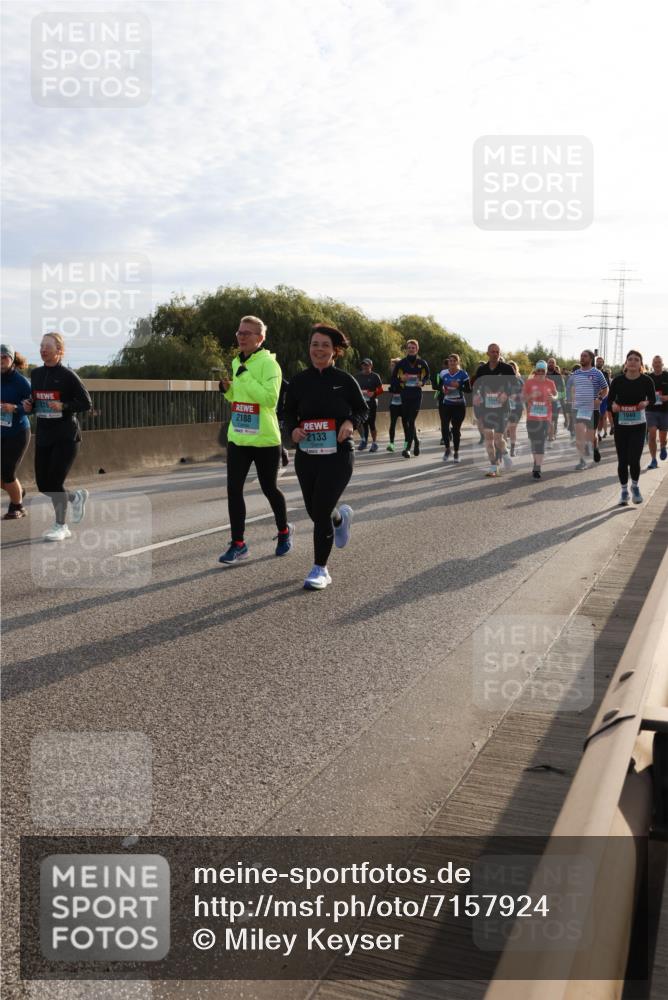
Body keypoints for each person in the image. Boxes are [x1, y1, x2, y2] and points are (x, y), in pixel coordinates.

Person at [284, 324, 367, 590]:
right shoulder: (299, 381)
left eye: (324, 346)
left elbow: (362, 410)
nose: (318, 350)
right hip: (307, 454)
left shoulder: (344, 380)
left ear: (335, 351)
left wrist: (350, 424)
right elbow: (288, 414)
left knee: (320, 512)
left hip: (339, 454)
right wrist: (294, 430)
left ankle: (320, 568)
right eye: (314, 344)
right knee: (314, 509)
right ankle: (340, 519)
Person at [218, 316, 292, 565]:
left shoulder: (269, 365)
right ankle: (238, 544)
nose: (241, 337)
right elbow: (240, 398)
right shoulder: (238, 360)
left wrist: (244, 376)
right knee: (233, 489)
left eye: (247, 333)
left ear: (260, 339)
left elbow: (270, 399)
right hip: (238, 436)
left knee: (269, 488)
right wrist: (228, 389)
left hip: (265, 439)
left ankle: (284, 531)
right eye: (239, 332)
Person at [23, 332, 92, 541]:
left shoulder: (68, 375)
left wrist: (64, 406)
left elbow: (86, 403)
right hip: (44, 434)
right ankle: (75, 497)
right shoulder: (35, 374)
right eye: (41, 346)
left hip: (66, 435)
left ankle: (61, 526)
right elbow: (36, 403)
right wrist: (29, 406)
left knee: (54, 481)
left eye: (48, 346)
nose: (43, 350)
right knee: (44, 484)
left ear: (59, 351)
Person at [608, 350, 655, 505]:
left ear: (641, 364)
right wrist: (613, 406)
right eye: (630, 359)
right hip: (621, 426)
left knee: (634, 459)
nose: (633, 362)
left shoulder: (646, 381)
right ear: (626, 363)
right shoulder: (618, 381)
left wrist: (646, 403)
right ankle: (623, 491)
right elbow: (609, 402)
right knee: (622, 461)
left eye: (636, 359)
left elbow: (653, 400)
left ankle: (634, 486)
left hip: (638, 426)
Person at [471, 343, 515, 477]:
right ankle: (493, 466)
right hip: (487, 409)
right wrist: (477, 395)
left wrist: (506, 394)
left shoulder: (506, 368)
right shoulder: (482, 370)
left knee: (498, 439)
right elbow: (475, 386)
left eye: (497, 352)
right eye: (493, 352)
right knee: (488, 438)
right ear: (487, 354)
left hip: (502, 409)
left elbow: (516, 384)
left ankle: (505, 454)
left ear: (500, 353)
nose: (495, 354)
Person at [1, 344, 31, 519]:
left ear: (11, 360)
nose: (0, 361)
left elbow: (32, 407)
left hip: (18, 432)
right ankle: (17, 491)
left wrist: (15, 408)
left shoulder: (21, 382)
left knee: (7, 471)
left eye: (4, 357)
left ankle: (17, 506)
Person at [566, 350, 608, 471]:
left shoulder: (597, 373)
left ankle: (595, 448)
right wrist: (570, 399)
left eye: (585, 356)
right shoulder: (576, 373)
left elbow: (606, 389)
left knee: (591, 436)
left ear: (591, 359)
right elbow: (570, 388)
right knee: (579, 435)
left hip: (592, 409)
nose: (582, 358)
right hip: (579, 409)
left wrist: (599, 398)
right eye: (581, 356)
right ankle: (582, 460)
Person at [390, 341, 430, 458]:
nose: (411, 349)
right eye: (409, 348)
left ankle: (407, 448)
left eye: (413, 348)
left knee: (411, 421)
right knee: (407, 422)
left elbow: (428, 375)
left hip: (416, 396)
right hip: (405, 395)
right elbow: (393, 378)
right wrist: (401, 379)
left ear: (417, 349)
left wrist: (422, 382)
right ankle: (416, 442)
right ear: (406, 349)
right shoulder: (402, 363)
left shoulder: (422, 363)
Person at [522, 361, 558, 479]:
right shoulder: (529, 382)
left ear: (546, 371)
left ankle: (537, 467)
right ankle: (536, 462)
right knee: (534, 442)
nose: (541, 372)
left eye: (543, 370)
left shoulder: (550, 383)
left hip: (545, 417)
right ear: (536, 371)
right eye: (539, 370)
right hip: (532, 417)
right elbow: (522, 398)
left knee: (541, 441)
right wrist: (531, 396)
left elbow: (557, 395)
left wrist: (553, 397)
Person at [434, 354, 471, 462]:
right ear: (448, 363)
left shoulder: (463, 374)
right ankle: (447, 449)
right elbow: (438, 385)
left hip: (459, 405)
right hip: (446, 404)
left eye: (454, 361)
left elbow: (469, 389)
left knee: (456, 430)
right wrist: (442, 389)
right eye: (450, 361)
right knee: (444, 427)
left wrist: (458, 386)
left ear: (458, 362)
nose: (452, 363)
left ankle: (456, 452)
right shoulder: (443, 373)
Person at [354, 359, 383, 452]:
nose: (365, 367)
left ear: (371, 366)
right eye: (363, 365)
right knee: (363, 423)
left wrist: (374, 393)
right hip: (362, 403)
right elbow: (353, 389)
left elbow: (381, 390)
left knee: (371, 423)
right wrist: (361, 392)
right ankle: (364, 441)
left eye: (367, 365)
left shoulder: (375, 376)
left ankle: (374, 443)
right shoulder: (357, 376)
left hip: (372, 403)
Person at [646, 355, 668, 469]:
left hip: (665, 411)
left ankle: (663, 446)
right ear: (652, 364)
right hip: (651, 410)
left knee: (663, 437)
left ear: (662, 364)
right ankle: (653, 460)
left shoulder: (667, 376)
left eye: (659, 362)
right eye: (655, 362)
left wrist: (667, 397)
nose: (657, 364)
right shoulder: (648, 378)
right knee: (652, 434)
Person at [386, 357, 405, 452]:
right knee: (392, 424)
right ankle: (391, 444)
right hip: (394, 403)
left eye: (393, 365)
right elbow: (393, 388)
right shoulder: (392, 377)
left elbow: (404, 388)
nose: (391, 367)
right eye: (391, 365)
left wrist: (395, 388)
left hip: (404, 404)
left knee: (407, 424)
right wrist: (392, 389)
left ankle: (408, 443)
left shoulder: (403, 375)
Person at [506, 360, 524, 457]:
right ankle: (504, 449)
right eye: (509, 367)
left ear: (516, 368)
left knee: (512, 429)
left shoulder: (520, 380)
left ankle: (512, 449)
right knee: (504, 429)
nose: (511, 369)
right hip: (504, 408)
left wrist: (516, 396)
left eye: (513, 367)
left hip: (517, 407)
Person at [546, 358, 565, 441]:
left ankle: (553, 433)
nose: (550, 364)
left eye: (552, 363)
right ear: (547, 364)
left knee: (554, 418)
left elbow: (562, 389)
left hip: (555, 399)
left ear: (555, 364)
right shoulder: (544, 374)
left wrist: (560, 398)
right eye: (549, 362)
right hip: (544, 400)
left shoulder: (558, 375)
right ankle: (548, 432)